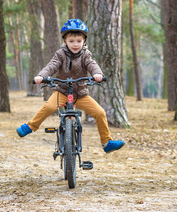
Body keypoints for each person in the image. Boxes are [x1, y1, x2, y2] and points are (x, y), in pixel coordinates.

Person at [16, 19, 125, 154]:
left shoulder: (86, 54)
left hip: (80, 94)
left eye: (79, 41)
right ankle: (30, 126)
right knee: (49, 106)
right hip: (62, 91)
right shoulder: (60, 54)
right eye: (71, 41)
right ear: (65, 41)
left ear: (84, 41)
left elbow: (92, 65)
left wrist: (97, 74)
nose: (75, 44)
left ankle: (106, 142)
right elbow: (52, 66)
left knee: (100, 113)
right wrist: (41, 76)